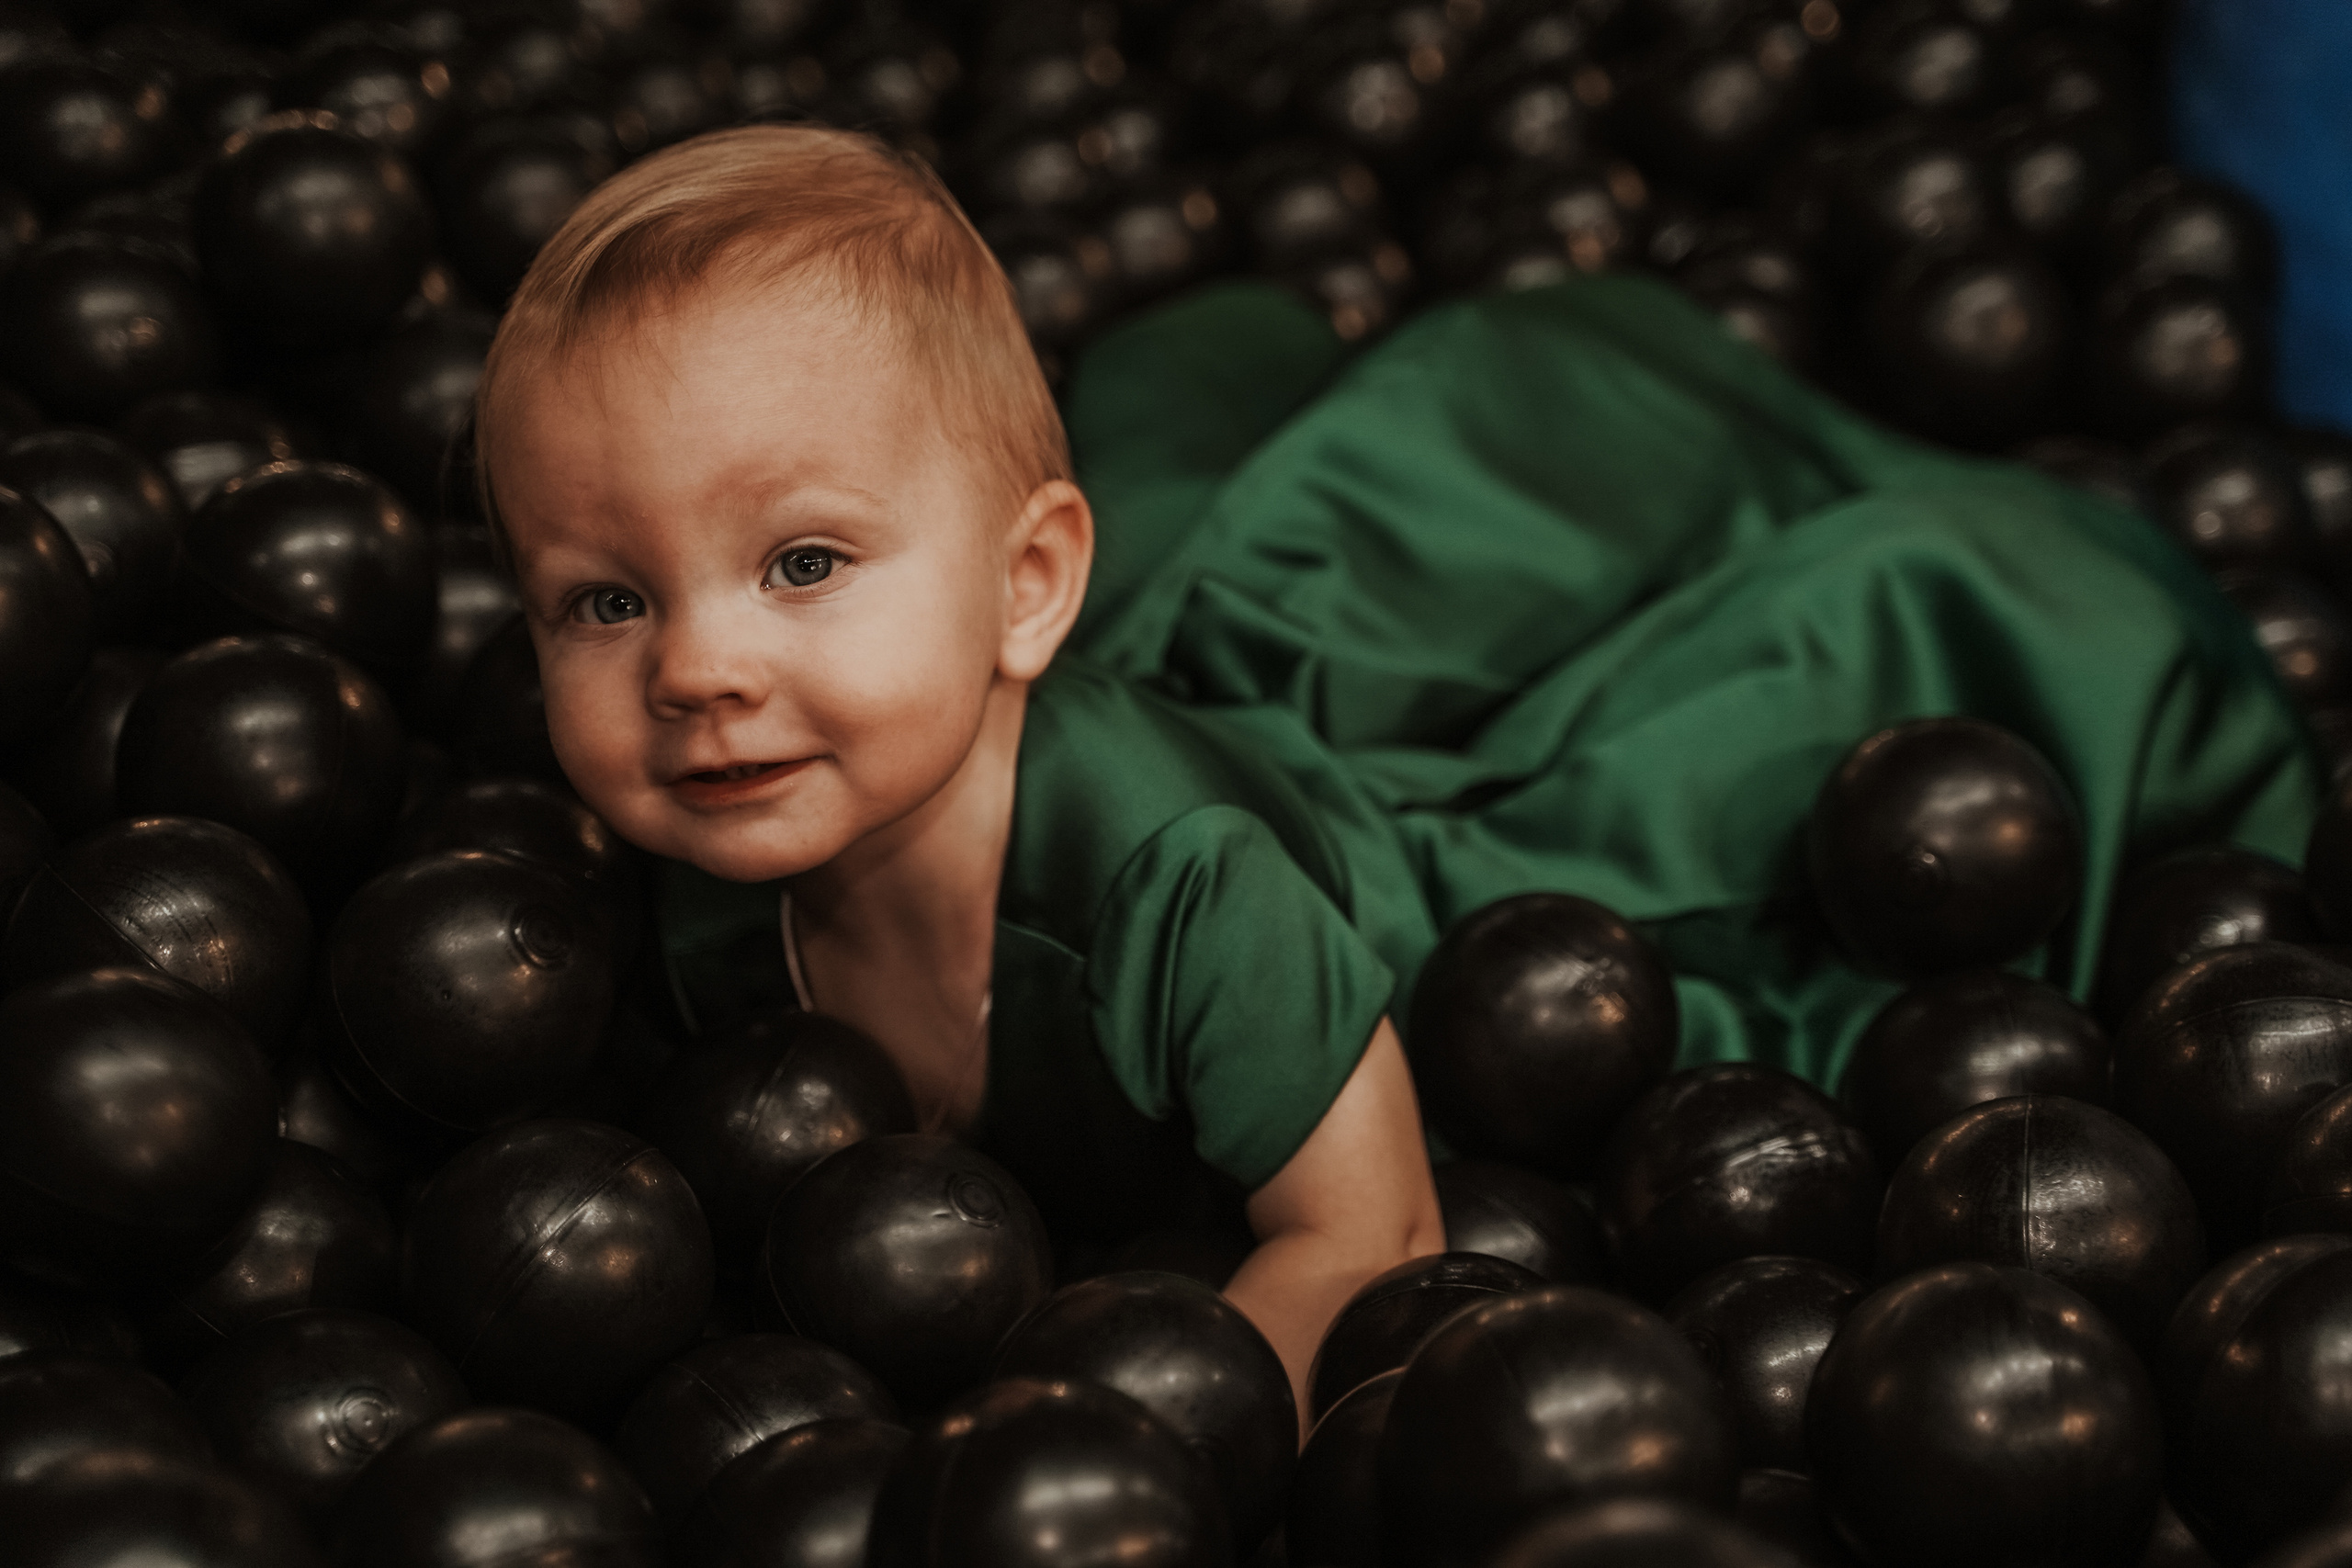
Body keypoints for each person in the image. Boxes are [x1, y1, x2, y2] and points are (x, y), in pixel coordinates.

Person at [473, 123, 2319, 1412]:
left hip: (1453, 917)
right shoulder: (712, 855)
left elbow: (1370, 1229)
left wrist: (1119, 1450)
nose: (700, 669)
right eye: (603, 598)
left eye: (802, 564)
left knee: (1863, 688)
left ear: (1026, 589)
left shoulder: (1185, 884)